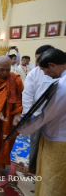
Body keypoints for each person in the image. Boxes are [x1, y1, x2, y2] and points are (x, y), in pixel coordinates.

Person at [14, 48, 66, 196]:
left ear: (53, 65)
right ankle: (34, 169)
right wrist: (25, 112)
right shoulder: (58, 78)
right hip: (49, 123)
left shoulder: (62, 85)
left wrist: (19, 130)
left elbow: (46, 116)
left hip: (60, 137)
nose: (44, 73)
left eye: (45, 69)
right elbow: (28, 93)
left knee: (54, 178)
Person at [21, 45, 55, 174]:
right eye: (38, 59)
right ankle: (32, 166)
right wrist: (26, 113)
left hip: (58, 116)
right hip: (38, 113)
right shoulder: (35, 73)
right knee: (35, 141)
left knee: (53, 143)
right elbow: (28, 93)